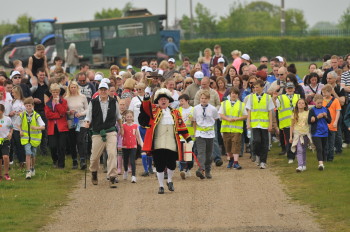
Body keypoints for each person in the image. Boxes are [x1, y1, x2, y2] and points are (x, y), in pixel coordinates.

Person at [140, 88, 192, 194]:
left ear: (169, 101)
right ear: (157, 101)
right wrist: (146, 97)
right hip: (158, 142)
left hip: (171, 142)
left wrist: (188, 139)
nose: (163, 101)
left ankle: (169, 180)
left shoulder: (176, 113)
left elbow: (182, 126)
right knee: (159, 164)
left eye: (165, 99)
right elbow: (146, 107)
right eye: (161, 99)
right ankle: (161, 186)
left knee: (172, 164)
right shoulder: (153, 111)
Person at [84, 82, 123, 188]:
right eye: (101, 89)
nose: (103, 91)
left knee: (112, 153)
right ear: (98, 91)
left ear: (107, 90)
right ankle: (94, 172)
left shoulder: (114, 102)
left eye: (105, 89)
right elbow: (88, 116)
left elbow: (118, 116)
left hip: (111, 131)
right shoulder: (93, 102)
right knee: (94, 157)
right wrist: (87, 123)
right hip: (97, 132)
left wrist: (121, 128)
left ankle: (112, 177)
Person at [246, 80, 274, 169]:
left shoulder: (267, 98)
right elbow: (249, 111)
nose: (255, 89)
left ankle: (263, 161)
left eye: (257, 87)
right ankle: (257, 155)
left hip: (264, 124)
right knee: (256, 141)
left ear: (262, 87)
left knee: (265, 143)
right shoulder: (251, 98)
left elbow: (270, 111)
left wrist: (270, 124)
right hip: (255, 124)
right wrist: (248, 122)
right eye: (254, 87)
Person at [219, 87, 247, 169]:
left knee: (236, 144)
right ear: (230, 94)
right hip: (226, 128)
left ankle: (236, 162)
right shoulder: (224, 103)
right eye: (232, 93)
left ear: (238, 95)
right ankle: (231, 160)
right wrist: (227, 119)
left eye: (235, 93)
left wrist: (237, 119)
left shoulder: (241, 104)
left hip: (237, 129)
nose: (234, 95)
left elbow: (245, 115)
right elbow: (221, 114)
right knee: (228, 146)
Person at [193, 90, 218, 179]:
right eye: (202, 98)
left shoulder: (213, 109)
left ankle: (208, 170)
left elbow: (215, 119)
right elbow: (194, 121)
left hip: (210, 134)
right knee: (201, 152)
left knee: (209, 154)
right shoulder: (196, 108)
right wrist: (195, 132)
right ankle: (201, 169)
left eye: (205, 98)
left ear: (209, 99)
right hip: (200, 134)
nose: (203, 100)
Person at [17, 98, 45, 179]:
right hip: (26, 138)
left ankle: (33, 168)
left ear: (33, 106)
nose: (28, 107)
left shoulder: (37, 115)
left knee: (33, 154)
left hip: (34, 139)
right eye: (27, 106)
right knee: (28, 153)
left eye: (30, 106)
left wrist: (36, 127)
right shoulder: (22, 115)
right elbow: (17, 124)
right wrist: (20, 130)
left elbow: (43, 126)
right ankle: (28, 171)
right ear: (24, 106)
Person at [273, 82, 300, 164]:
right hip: (286, 124)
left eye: (291, 88)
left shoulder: (298, 96)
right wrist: (274, 99)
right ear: (285, 89)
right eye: (288, 88)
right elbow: (277, 107)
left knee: (297, 140)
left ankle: (296, 155)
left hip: (297, 123)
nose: (290, 90)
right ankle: (290, 157)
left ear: (294, 89)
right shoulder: (280, 98)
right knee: (289, 140)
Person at [65, 81, 88, 170]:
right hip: (71, 121)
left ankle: (82, 160)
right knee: (72, 141)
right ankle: (74, 161)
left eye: (75, 87)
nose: (73, 89)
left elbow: (87, 109)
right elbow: (64, 110)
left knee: (80, 140)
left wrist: (81, 113)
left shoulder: (83, 97)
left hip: (81, 121)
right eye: (71, 87)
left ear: (77, 88)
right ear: (69, 88)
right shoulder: (66, 98)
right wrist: (69, 112)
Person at [45, 83, 69, 169]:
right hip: (52, 127)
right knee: (52, 146)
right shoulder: (48, 103)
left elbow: (63, 112)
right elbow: (48, 115)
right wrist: (58, 115)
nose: (55, 94)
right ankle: (55, 160)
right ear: (51, 92)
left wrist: (58, 104)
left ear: (59, 92)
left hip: (62, 127)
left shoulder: (63, 101)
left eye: (57, 92)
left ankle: (61, 164)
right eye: (53, 92)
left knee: (62, 146)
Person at [308, 94, 331, 171]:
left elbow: (329, 121)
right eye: (318, 103)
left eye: (321, 102)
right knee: (319, 148)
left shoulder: (326, 109)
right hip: (316, 133)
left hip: (325, 132)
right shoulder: (312, 110)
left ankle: (323, 162)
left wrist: (325, 116)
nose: (320, 104)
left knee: (324, 148)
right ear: (315, 102)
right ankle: (320, 164)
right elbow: (309, 121)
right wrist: (317, 117)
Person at [290, 99, 312, 172]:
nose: (301, 104)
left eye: (303, 103)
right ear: (297, 105)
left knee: (303, 149)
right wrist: (291, 136)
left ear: (305, 105)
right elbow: (292, 125)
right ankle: (300, 165)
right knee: (299, 149)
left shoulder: (308, 113)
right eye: (299, 103)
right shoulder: (294, 114)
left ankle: (304, 165)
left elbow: (310, 121)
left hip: (305, 133)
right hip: (297, 134)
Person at [122, 110, 143, 183]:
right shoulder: (123, 125)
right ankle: (125, 171)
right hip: (125, 145)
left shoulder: (135, 126)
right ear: (125, 117)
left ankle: (133, 176)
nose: (129, 118)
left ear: (133, 117)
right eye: (127, 117)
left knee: (132, 161)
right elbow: (120, 134)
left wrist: (141, 144)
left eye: (130, 117)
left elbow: (138, 135)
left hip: (133, 145)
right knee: (125, 160)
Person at [321, 84, 341, 162]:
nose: (324, 94)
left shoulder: (335, 100)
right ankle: (325, 157)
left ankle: (330, 157)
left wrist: (336, 121)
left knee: (331, 142)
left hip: (332, 124)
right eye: (323, 92)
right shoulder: (321, 101)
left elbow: (338, 112)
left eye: (325, 92)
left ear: (330, 92)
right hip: (324, 125)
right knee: (324, 142)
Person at [178, 94, 195, 179]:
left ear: (187, 101)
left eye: (182, 101)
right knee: (181, 155)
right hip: (181, 136)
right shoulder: (179, 110)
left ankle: (187, 169)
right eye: (180, 101)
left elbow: (195, 122)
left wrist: (193, 120)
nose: (181, 103)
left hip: (190, 136)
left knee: (188, 155)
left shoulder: (193, 110)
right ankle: (183, 170)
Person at [9, 85, 26, 167]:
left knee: (21, 144)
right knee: (16, 144)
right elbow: (11, 112)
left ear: (18, 92)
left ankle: (24, 161)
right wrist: (11, 113)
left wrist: (21, 114)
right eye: (12, 93)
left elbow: (27, 112)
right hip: (14, 126)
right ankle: (21, 161)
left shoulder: (23, 102)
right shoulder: (13, 101)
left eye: (13, 92)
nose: (12, 94)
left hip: (22, 126)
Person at [0, 104, 13, 181]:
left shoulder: (7, 119)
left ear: (2, 111)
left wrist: (10, 133)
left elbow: (11, 127)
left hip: (5, 140)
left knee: (5, 157)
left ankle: (6, 173)